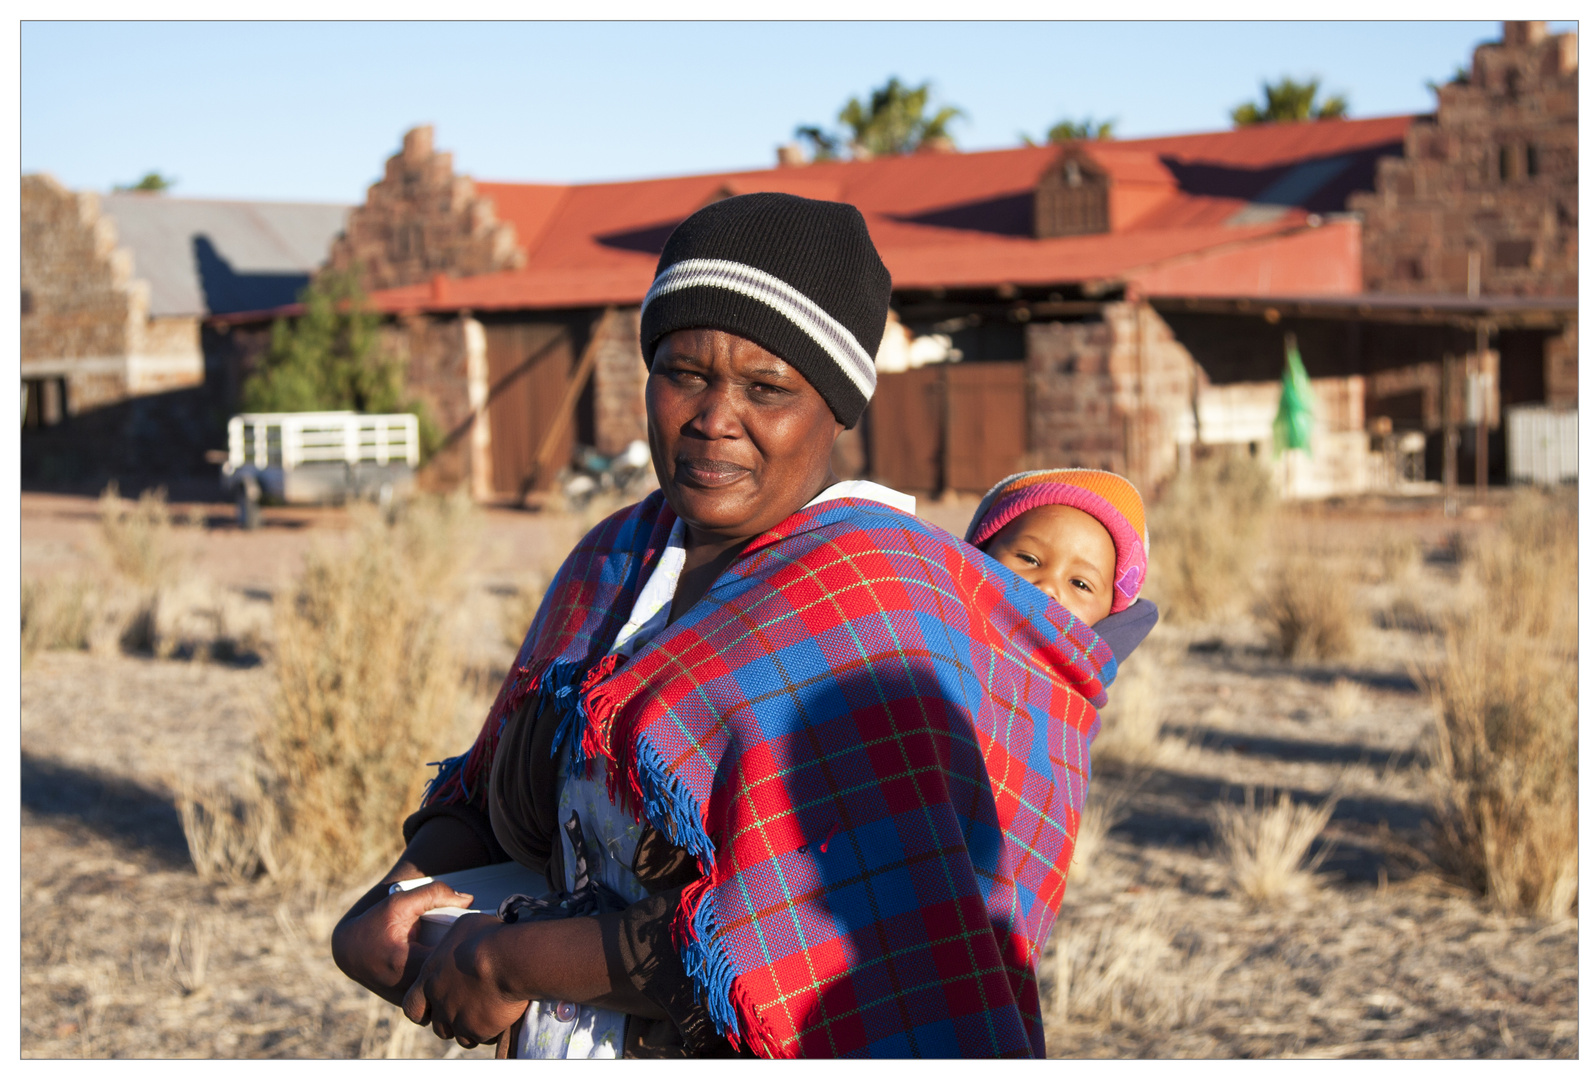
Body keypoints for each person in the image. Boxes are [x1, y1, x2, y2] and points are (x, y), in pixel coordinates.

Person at [330, 192, 1116, 1059]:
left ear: (836, 405)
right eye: (683, 372)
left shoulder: (874, 598)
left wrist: (514, 960)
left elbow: (822, 926)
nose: (713, 418)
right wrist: (406, 896)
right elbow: (502, 795)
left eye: (767, 387)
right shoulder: (618, 558)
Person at [964, 468, 1159, 659]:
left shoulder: (1078, 689)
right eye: (1028, 559)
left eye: (1080, 584)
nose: (1047, 588)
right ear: (980, 553)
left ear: (1109, 618)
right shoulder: (937, 636)